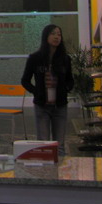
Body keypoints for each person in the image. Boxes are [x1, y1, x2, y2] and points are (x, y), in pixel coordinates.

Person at [21, 24, 74, 155]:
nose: (57, 37)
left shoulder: (65, 59)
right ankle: (45, 168)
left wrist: (65, 89)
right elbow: (25, 80)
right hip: (42, 106)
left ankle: (59, 167)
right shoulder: (35, 58)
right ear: (46, 36)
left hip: (60, 106)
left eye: (59, 34)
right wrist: (36, 91)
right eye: (53, 34)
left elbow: (70, 80)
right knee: (43, 144)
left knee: (59, 145)